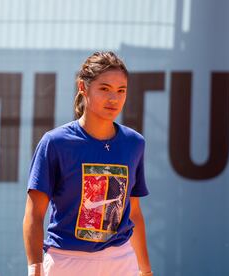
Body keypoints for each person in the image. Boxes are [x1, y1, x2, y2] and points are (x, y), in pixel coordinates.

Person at [23, 51, 153, 276]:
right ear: (83, 88)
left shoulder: (134, 143)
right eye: (104, 89)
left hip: (122, 261)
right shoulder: (55, 143)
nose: (114, 98)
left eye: (121, 91)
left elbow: (134, 214)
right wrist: (35, 269)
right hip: (66, 262)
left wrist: (146, 271)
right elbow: (34, 214)